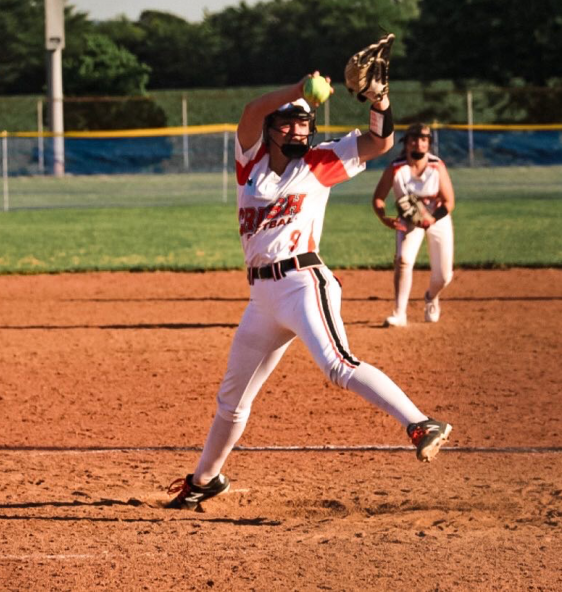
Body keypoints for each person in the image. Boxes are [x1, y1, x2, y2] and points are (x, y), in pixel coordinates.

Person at [166, 73, 453, 510]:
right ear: (272, 128)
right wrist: (298, 91)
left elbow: (379, 143)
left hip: (303, 281)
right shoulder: (250, 163)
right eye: (290, 123)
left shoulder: (319, 163)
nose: (300, 130)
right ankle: (206, 479)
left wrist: (380, 99)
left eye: (305, 123)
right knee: (232, 397)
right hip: (261, 298)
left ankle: (420, 423)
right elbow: (249, 112)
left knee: (337, 364)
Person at [371, 123, 455, 327]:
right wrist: (384, 217)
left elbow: (449, 201)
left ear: (429, 144)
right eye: (414, 139)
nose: (419, 143)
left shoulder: (437, 165)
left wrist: (430, 219)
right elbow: (378, 198)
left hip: (437, 218)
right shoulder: (396, 167)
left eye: (424, 140)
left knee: (444, 275)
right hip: (408, 220)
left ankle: (431, 297)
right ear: (406, 143)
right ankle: (399, 313)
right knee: (403, 260)